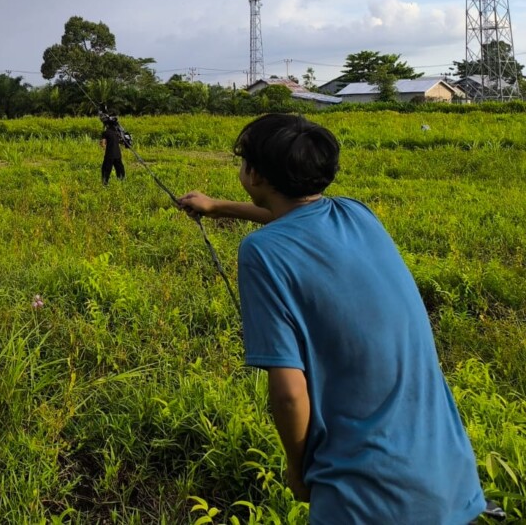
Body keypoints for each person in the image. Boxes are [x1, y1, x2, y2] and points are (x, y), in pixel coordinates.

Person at [179, 114, 486, 523]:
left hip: (368, 496)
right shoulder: (357, 213)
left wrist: (298, 468)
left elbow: (289, 393)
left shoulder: (262, 253)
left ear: (254, 174)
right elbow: (293, 218)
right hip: (449, 477)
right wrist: (217, 207)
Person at [99, 114, 126, 185]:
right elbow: (121, 142)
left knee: (106, 170)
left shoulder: (106, 132)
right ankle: (122, 183)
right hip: (118, 154)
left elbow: (103, 144)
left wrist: (101, 143)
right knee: (119, 169)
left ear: (107, 125)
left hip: (109, 154)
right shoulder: (117, 133)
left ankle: (105, 184)